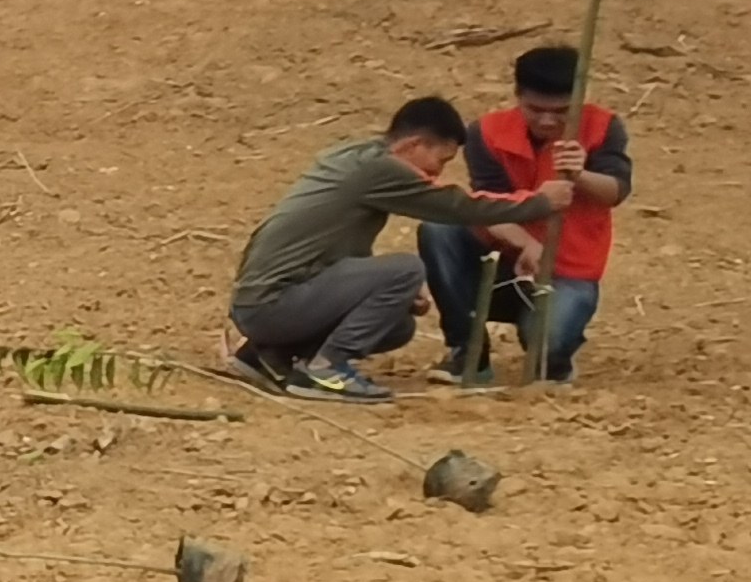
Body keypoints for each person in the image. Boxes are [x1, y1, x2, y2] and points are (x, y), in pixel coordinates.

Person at [224, 93, 571, 404]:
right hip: (271, 304)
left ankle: (265, 354)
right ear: (413, 145)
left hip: (263, 302)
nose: (437, 173)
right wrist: (538, 202)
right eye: (441, 160)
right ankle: (325, 371)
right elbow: (458, 207)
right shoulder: (383, 171)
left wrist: (387, 290)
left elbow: (333, 251)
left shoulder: (356, 157)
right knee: (406, 268)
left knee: (397, 325)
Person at [426, 46, 630, 387]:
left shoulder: (603, 127)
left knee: (546, 354)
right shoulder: (486, 132)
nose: (547, 120)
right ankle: (468, 351)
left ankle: (553, 351)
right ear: (518, 96)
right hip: (505, 262)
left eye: (562, 111)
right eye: (535, 109)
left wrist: (579, 174)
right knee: (439, 227)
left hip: (568, 271)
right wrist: (524, 243)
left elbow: (616, 191)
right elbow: (487, 204)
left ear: (580, 99)